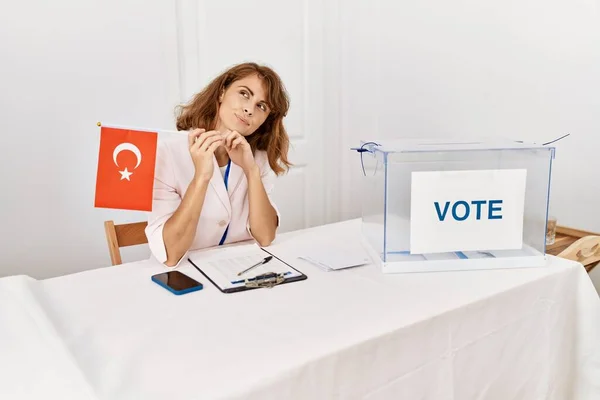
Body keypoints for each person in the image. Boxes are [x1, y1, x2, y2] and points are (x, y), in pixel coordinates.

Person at [145, 62, 291, 267]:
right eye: (244, 93)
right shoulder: (166, 153)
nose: (249, 109)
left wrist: (251, 171)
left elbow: (265, 236)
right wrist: (201, 177)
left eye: (261, 106)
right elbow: (171, 253)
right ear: (222, 92)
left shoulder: (257, 157)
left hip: (242, 270)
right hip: (184, 274)